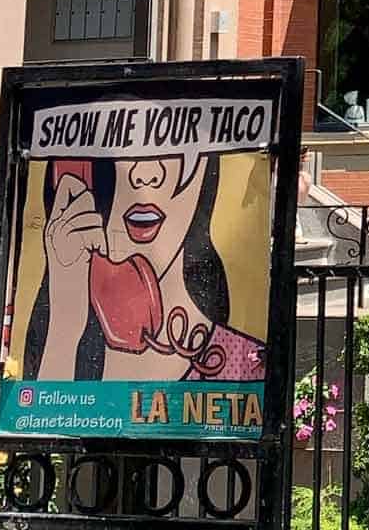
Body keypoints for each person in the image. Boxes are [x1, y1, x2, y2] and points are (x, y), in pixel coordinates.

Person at [23, 152, 266, 383]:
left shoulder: (244, 361)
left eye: (177, 147)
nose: (146, 175)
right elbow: (36, 418)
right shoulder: (64, 346)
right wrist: (65, 318)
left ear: (204, 171)